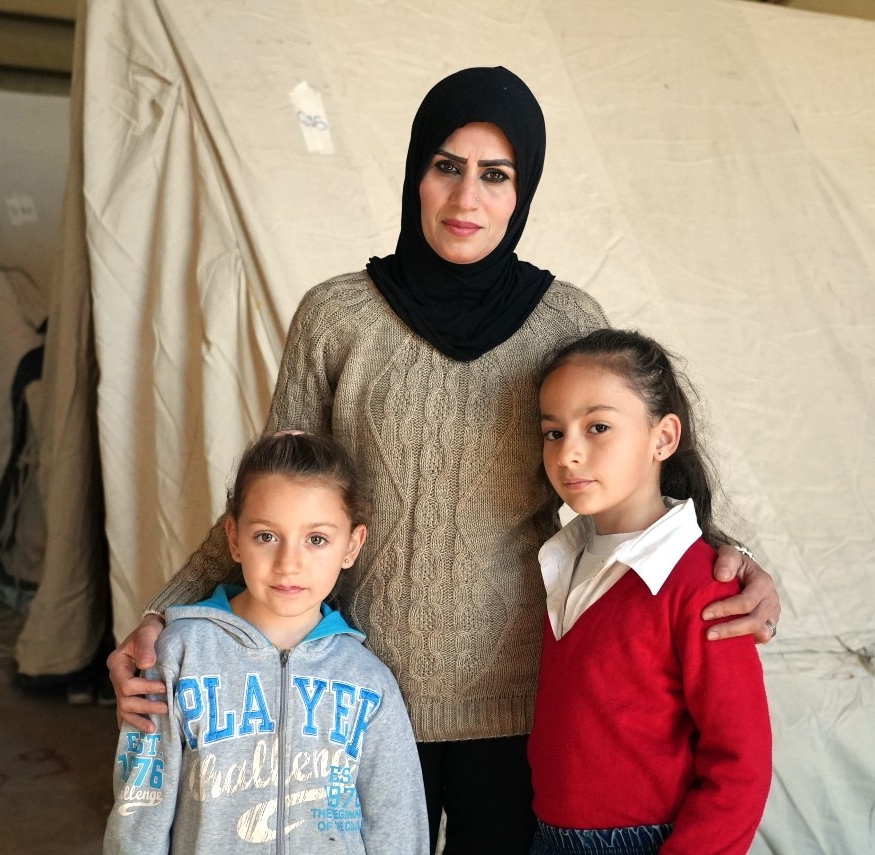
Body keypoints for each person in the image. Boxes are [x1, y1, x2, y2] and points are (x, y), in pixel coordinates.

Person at [110, 66, 782, 854]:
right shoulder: (336, 317)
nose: (467, 199)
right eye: (446, 167)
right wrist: (162, 613)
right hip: (350, 688)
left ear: (522, 191)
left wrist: (730, 560)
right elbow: (277, 504)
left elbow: (625, 465)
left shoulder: (563, 321)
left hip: (522, 709)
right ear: (414, 175)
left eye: (496, 175)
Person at [103, 431, 428, 854]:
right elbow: (140, 806)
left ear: (352, 545)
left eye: (317, 539)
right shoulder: (180, 655)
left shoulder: (369, 681)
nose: (288, 563)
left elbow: (397, 822)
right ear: (234, 538)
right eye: (266, 536)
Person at [528, 328, 771, 855]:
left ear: (662, 438)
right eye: (553, 432)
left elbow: (741, 763)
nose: (569, 454)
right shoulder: (557, 561)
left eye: (597, 427)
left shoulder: (705, 586)